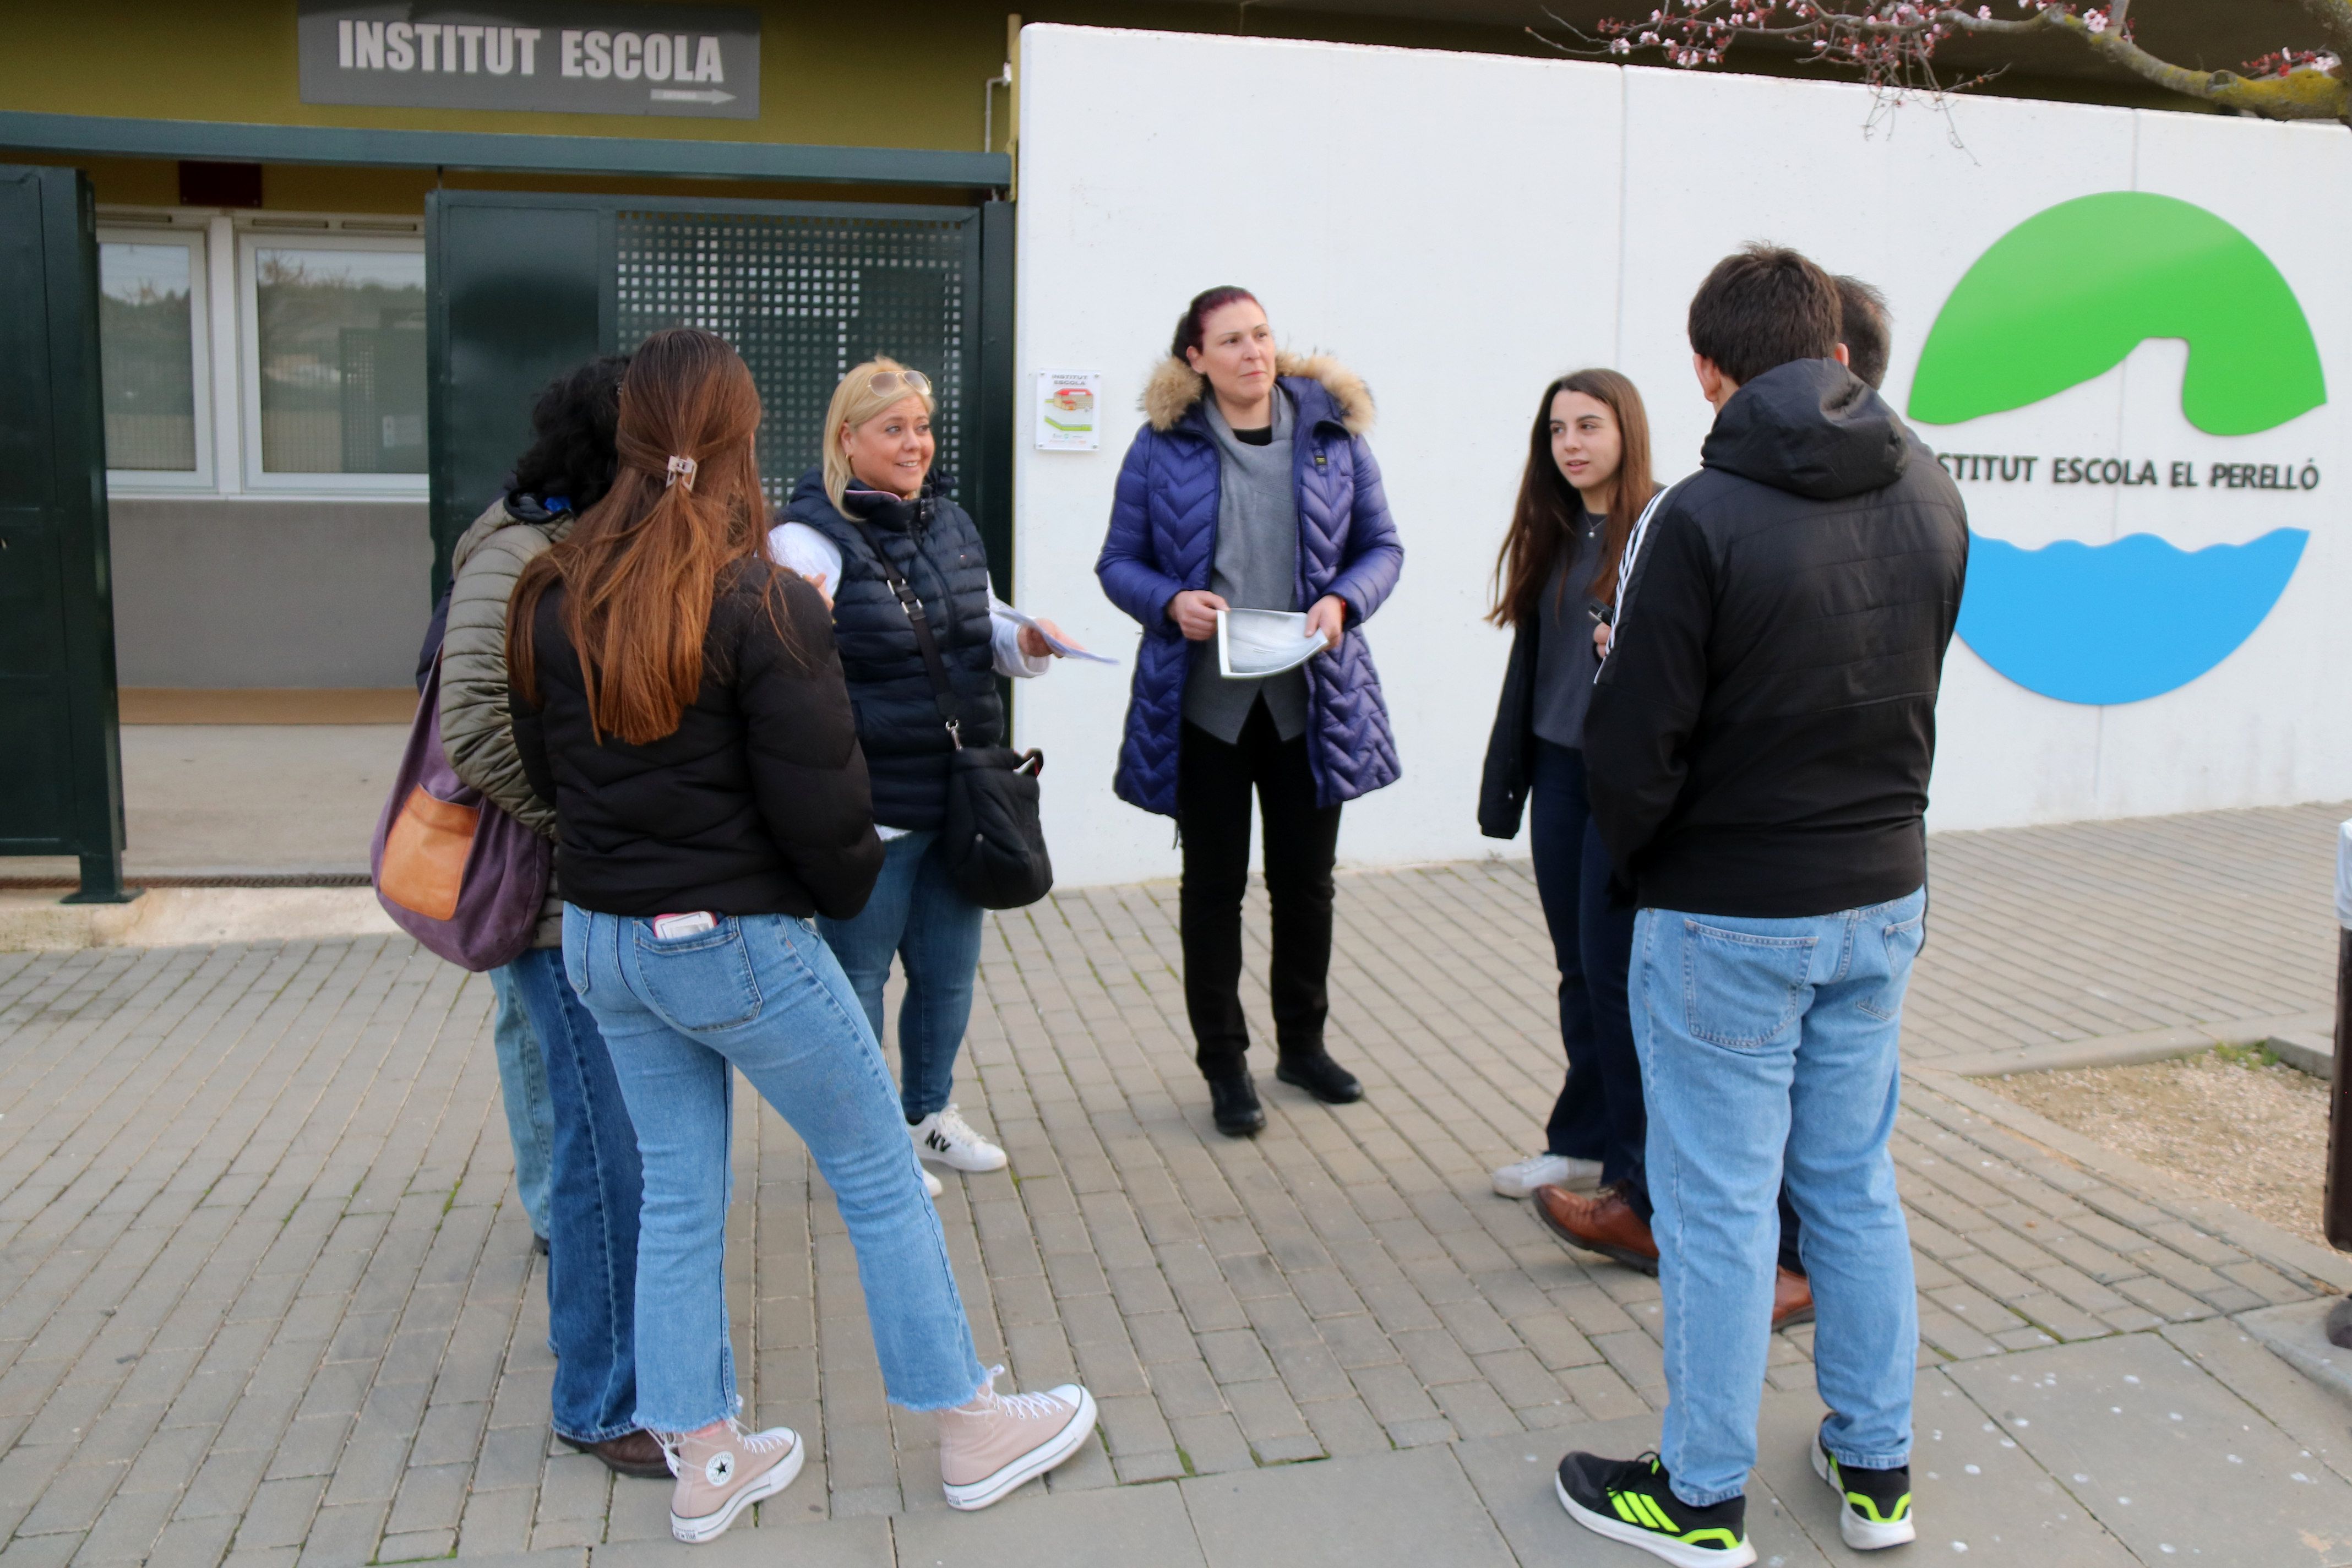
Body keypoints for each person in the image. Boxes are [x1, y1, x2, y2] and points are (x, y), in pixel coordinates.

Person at [509, 328, 1097, 1544]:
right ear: (740, 434)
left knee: (677, 1193)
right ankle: (971, 1426)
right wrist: (828, 902)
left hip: (605, 942)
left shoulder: (553, 586)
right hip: (730, 938)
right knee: (881, 1171)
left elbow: (541, 774)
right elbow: (830, 814)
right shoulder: (762, 596)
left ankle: (707, 1455)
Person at [1550, 247, 1966, 1565]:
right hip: (1880, 889)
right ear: (1838, 353)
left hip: (1728, 911)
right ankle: (1878, 1465)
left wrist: (1643, 855)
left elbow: (1635, 750)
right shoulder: (1935, 488)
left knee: (1720, 1201)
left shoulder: (1697, 514)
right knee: (1850, 1182)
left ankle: (1701, 1491)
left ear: (1708, 372)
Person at [1097, 287, 1404, 1137]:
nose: (1252, 353)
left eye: (1262, 335)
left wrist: (1345, 600)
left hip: (1315, 701)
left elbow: (1383, 547)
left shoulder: (1333, 434)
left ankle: (1302, 1048)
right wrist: (1168, 603)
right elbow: (1118, 561)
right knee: (1214, 890)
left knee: (1307, 886)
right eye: (1230, 341)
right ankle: (1224, 1065)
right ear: (1195, 358)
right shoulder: (1161, 446)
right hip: (1206, 709)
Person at [770, 358, 1076, 1191]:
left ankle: (928, 1116)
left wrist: (1030, 643)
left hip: (959, 791)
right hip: (872, 803)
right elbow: (789, 667)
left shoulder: (950, 522)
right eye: (893, 429)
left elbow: (977, 626)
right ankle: (867, 1142)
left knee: (945, 974)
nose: (915, 445)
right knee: (859, 979)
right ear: (847, 438)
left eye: (922, 427)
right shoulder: (803, 540)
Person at [436, 355, 662, 1478]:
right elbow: (473, 733)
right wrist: (588, 831)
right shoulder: (515, 553)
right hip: (552, 906)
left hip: (604, 895)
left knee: (621, 1148)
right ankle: (600, 1399)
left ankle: (630, 1365)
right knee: (600, 1156)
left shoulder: (588, 544)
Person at [1477, 371, 1654, 1202]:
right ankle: (1582, 1142)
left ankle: (1633, 1169)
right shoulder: (1552, 528)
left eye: (1589, 426)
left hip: (1621, 780)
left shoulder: (1664, 523)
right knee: (1578, 967)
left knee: (1615, 971)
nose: (1572, 444)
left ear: (1628, 431)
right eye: (1557, 430)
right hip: (1555, 770)